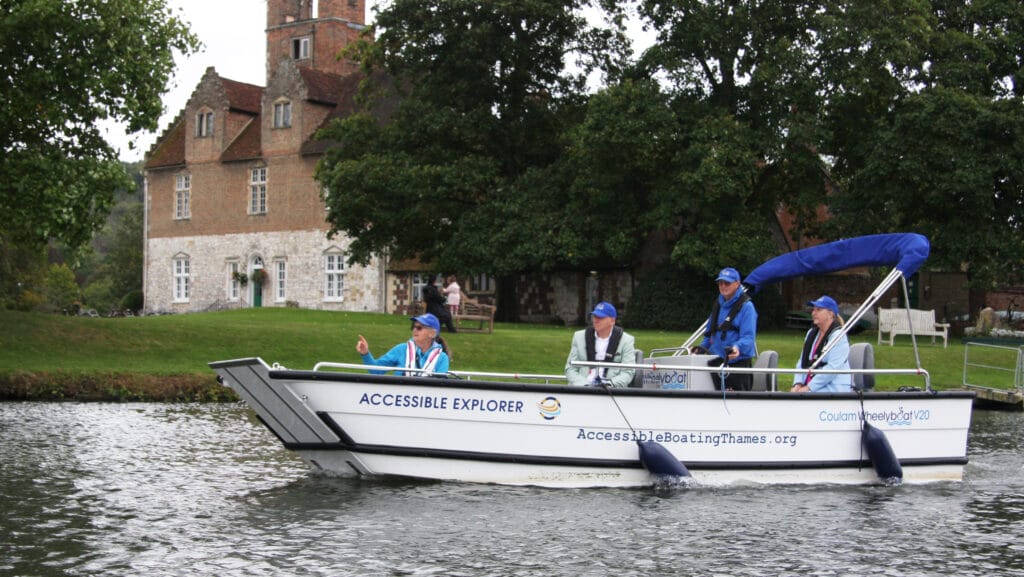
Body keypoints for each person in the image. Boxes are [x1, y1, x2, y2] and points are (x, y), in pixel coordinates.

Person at [696, 267, 758, 391]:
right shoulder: (718, 305)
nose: (723, 286)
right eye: (720, 283)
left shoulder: (747, 307)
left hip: (737, 367)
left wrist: (737, 347)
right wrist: (699, 350)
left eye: (727, 283)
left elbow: (748, 338)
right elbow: (709, 335)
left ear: (737, 284)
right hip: (716, 365)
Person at [564, 302, 636, 387]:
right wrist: (585, 385)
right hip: (582, 390)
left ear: (612, 321)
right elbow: (570, 369)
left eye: (600, 317)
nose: (595, 320)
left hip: (611, 392)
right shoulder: (579, 337)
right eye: (594, 316)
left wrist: (609, 385)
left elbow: (628, 372)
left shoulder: (626, 340)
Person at [356, 313, 450, 376]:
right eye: (413, 326)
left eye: (419, 327)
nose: (414, 330)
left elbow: (440, 387)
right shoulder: (401, 349)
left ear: (432, 334)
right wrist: (365, 354)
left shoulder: (442, 358)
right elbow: (376, 371)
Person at [792, 295, 852, 393]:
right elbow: (802, 361)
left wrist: (808, 388)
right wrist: (797, 383)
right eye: (813, 310)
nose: (813, 313)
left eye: (818, 310)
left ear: (830, 314)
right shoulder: (811, 333)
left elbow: (832, 369)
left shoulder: (839, 337)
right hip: (811, 388)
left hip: (833, 389)